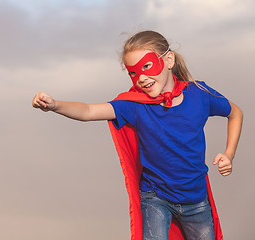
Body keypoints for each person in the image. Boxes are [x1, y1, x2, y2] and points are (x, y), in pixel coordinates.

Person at [32, 30, 243, 240]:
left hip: (196, 201)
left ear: (168, 60)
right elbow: (88, 111)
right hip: (155, 198)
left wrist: (229, 153)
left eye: (147, 66)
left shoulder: (199, 94)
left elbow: (235, 113)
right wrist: (54, 105)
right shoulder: (134, 105)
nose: (141, 77)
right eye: (133, 72)